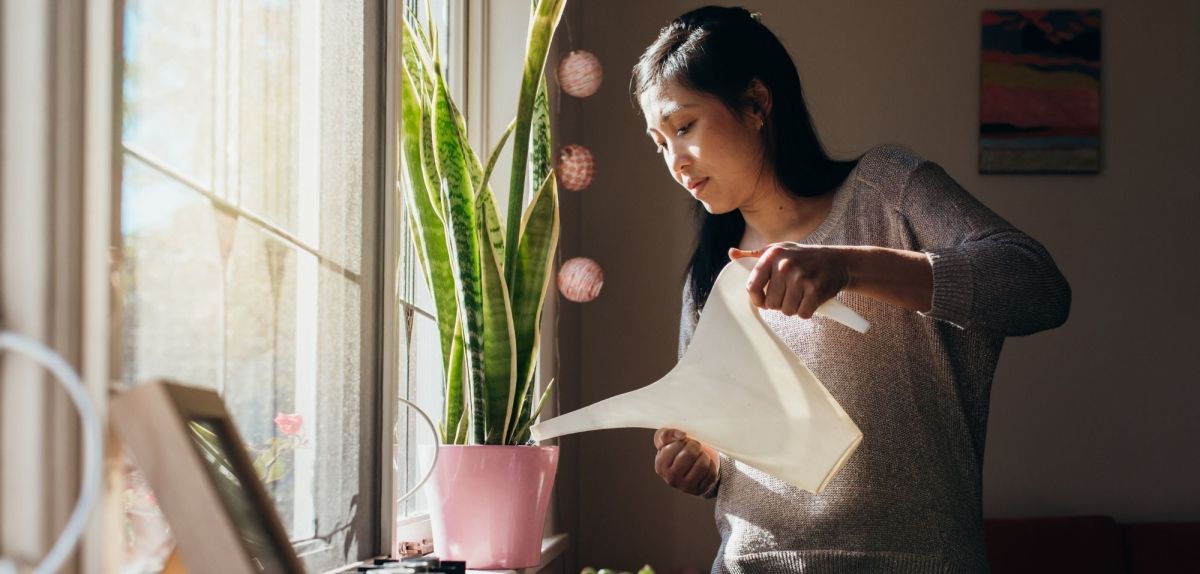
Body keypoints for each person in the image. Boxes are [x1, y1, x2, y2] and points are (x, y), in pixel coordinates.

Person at [635, 6, 1071, 573]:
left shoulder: (887, 190)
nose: (675, 161)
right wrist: (702, 464)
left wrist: (848, 267)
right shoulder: (709, 273)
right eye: (659, 143)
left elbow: (1038, 287)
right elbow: (722, 448)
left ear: (757, 102)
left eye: (684, 126)